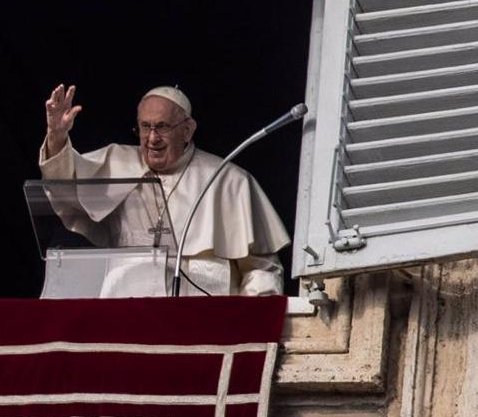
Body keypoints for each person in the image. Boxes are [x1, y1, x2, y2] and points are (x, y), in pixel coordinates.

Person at [39, 84, 290, 296]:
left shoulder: (228, 180)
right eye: (145, 127)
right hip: (124, 310)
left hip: (204, 323)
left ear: (187, 130)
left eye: (162, 127)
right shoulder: (116, 162)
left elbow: (261, 268)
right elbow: (66, 190)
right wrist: (56, 137)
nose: (152, 138)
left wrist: (251, 322)